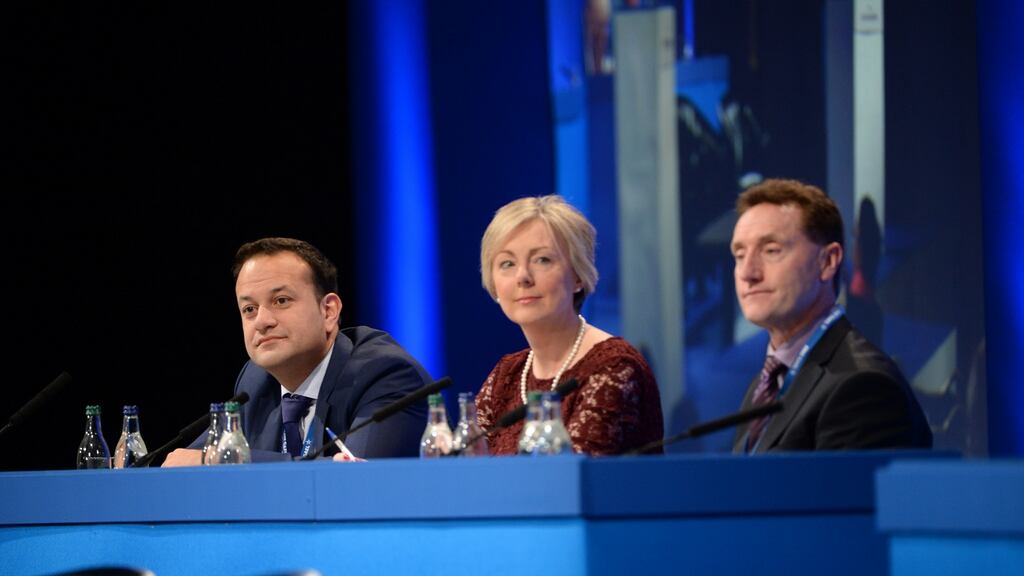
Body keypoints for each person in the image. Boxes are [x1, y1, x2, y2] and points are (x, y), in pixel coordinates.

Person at [163, 237, 430, 465]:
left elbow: (357, 483)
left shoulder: (385, 374)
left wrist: (222, 460)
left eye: (281, 301)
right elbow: (188, 460)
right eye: (249, 309)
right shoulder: (256, 382)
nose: (262, 321)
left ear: (329, 311)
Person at [729, 179, 931, 453]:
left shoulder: (863, 387)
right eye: (739, 255)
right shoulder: (763, 386)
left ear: (828, 262)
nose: (748, 273)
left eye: (771, 250)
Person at [476, 196, 664, 455]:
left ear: (577, 276)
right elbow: (465, 471)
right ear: (494, 283)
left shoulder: (614, 367)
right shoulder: (506, 376)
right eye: (507, 263)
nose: (523, 277)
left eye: (542, 260)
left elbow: (568, 482)